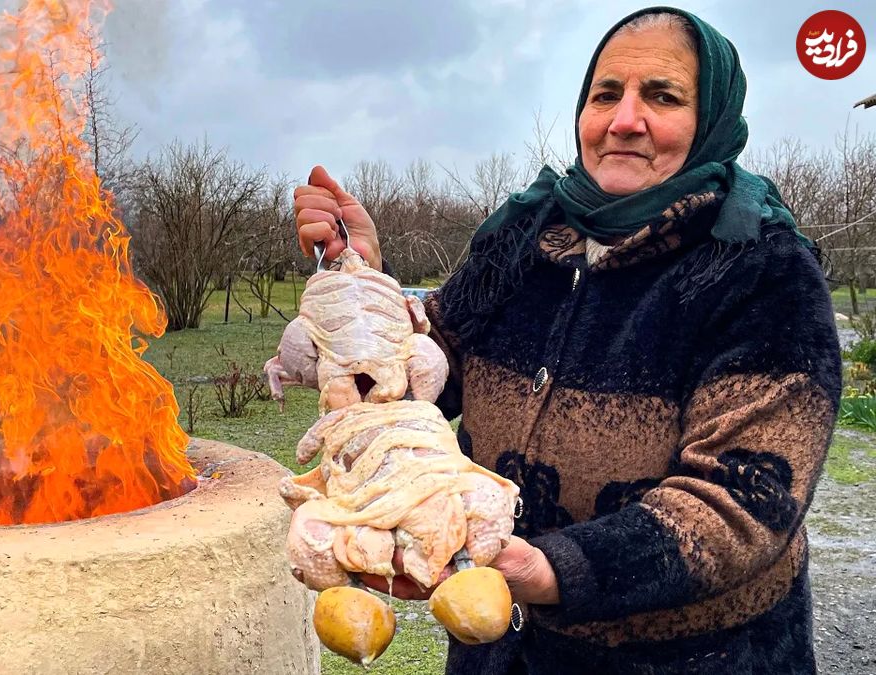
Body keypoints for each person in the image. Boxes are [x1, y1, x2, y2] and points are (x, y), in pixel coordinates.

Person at [295, 7, 838, 673]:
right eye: (606, 94)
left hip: (688, 658)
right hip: (503, 649)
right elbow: (429, 379)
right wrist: (367, 294)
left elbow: (740, 504)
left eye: (662, 96)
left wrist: (553, 567)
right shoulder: (522, 238)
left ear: (712, 120)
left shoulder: (757, 268)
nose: (624, 119)